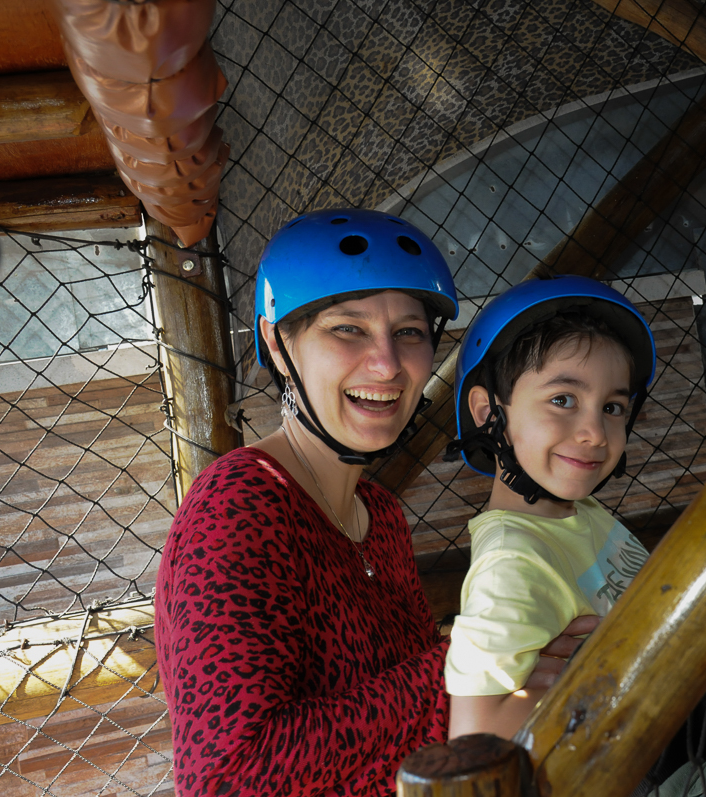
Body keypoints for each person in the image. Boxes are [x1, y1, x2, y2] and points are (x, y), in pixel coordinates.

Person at [154, 210, 593, 797]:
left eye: (409, 332)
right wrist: (467, 664)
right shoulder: (240, 507)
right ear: (278, 343)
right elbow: (230, 781)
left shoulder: (380, 515)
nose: (386, 364)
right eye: (348, 329)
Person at [443, 275, 658, 739]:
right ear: (488, 414)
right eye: (563, 400)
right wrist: (591, 681)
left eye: (613, 407)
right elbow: (474, 741)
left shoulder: (583, 514)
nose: (595, 433)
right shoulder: (512, 563)